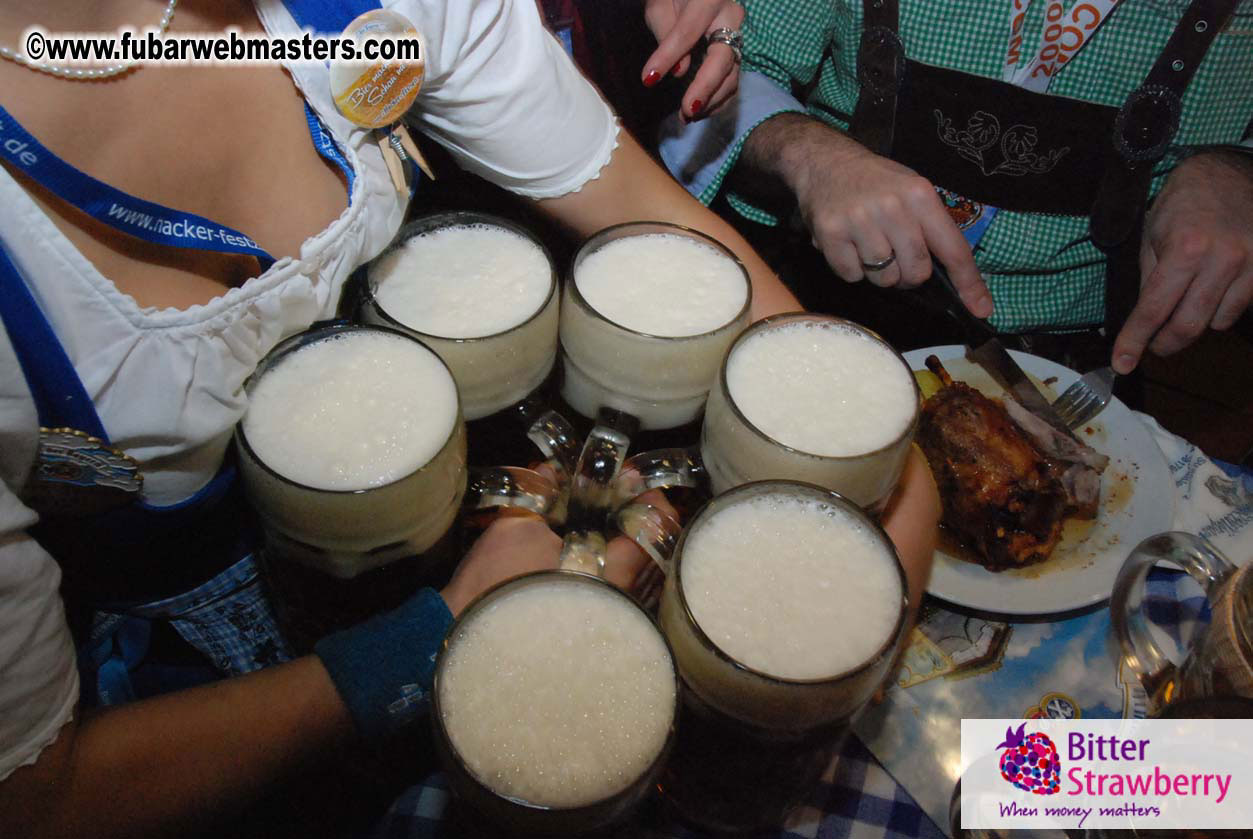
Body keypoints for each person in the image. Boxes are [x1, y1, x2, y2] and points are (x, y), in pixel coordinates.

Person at [0, 1, 938, 837]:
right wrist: (431, 637)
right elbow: (37, 795)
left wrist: (886, 499)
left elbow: (658, 225)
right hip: (198, 724)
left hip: (474, 559)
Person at [658, 0, 1253, 375]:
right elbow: (732, 67)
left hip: (1079, 365)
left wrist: (1236, 172)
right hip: (830, 309)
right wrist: (811, 155)